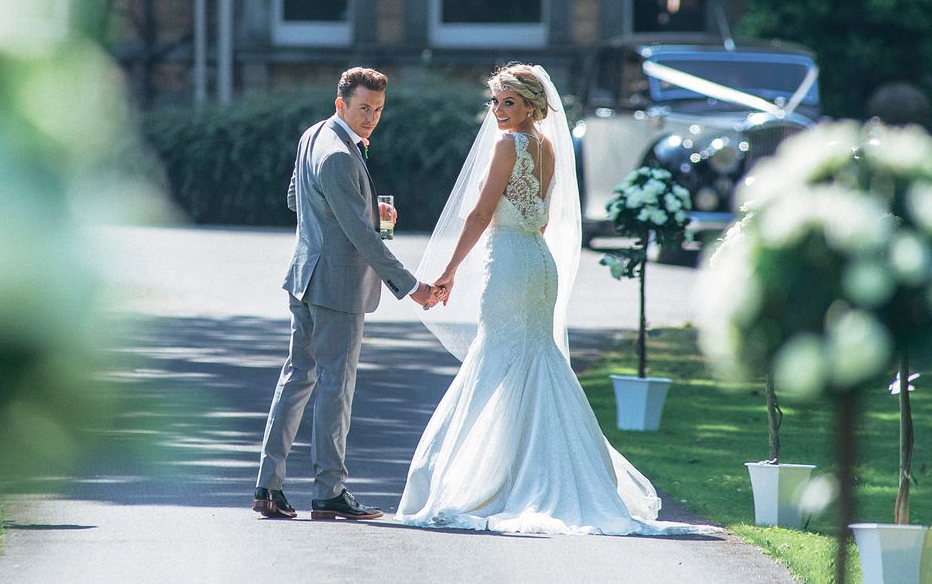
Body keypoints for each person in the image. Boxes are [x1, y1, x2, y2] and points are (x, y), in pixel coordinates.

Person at [396, 63, 713, 536]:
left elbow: (482, 212)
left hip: (508, 262)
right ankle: (544, 469)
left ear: (530, 106)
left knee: (500, 357)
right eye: (495, 102)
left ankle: (496, 477)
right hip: (537, 261)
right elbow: (540, 219)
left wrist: (447, 272)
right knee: (533, 358)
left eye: (508, 102)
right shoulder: (547, 147)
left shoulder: (509, 145)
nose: (498, 112)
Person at [253, 67, 440, 522]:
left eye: (378, 110)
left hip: (305, 276)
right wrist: (412, 286)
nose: (371, 118)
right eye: (363, 108)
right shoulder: (338, 153)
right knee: (335, 388)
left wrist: (360, 207)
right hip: (335, 286)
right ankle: (329, 492)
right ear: (341, 104)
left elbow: (299, 200)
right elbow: (362, 237)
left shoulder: (313, 135)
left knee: (297, 380)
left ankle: (268, 488)